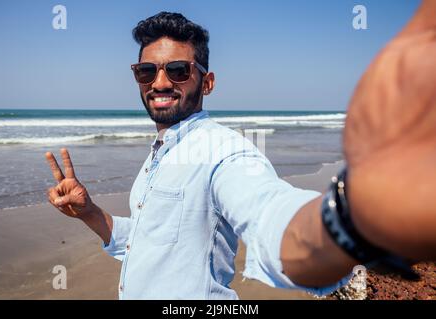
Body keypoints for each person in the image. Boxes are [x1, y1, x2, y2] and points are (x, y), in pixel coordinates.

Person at [45, 1, 436, 299]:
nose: (159, 82)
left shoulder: (224, 152)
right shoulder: (158, 153)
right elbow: (148, 240)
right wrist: (91, 214)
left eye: (178, 70)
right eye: (147, 71)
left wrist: (355, 218)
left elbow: (269, 215)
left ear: (207, 82)